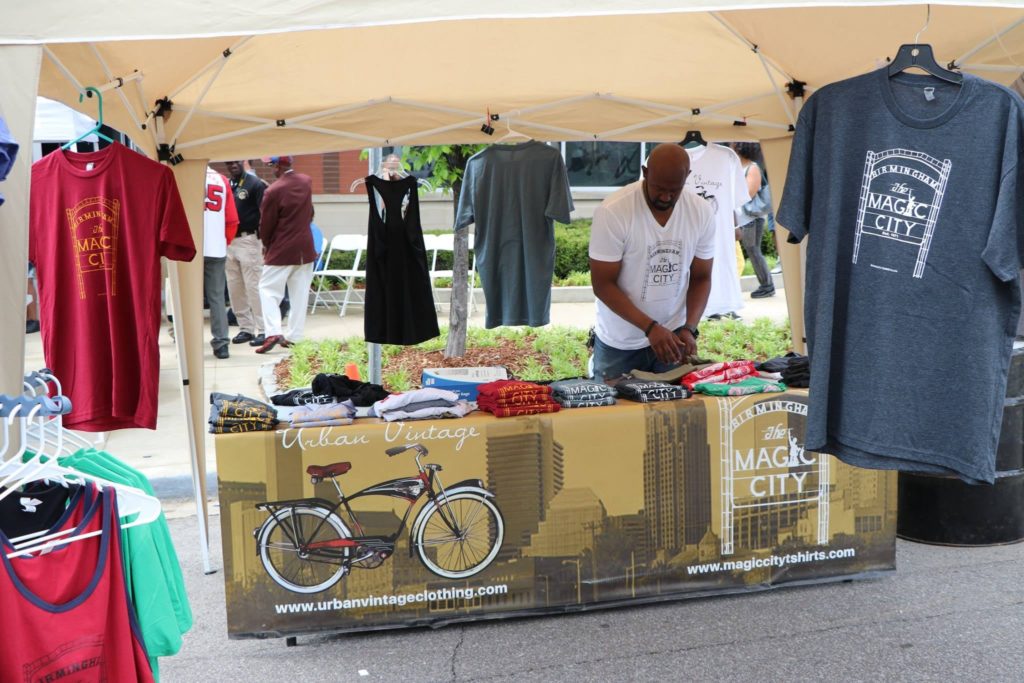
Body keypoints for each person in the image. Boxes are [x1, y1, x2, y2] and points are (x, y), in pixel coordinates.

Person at [588, 143, 716, 382]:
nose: (666, 197)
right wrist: (650, 328)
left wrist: (689, 328)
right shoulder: (614, 211)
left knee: (670, 415)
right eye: (659, 188)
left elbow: (701, 277)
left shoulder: (701, 212)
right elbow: (603, 284)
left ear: (687, 177)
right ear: (645, 173)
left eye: (674, 190)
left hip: (673, 336)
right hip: (620, 343)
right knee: (615, 416)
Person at [254, 155, 317, 354]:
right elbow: (311, 212)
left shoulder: (273, 190)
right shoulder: (306, 182)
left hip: (282, 248)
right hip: (305, 246)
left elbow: (266, 224)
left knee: (267, 290)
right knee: (299, 293)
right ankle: (295, 336)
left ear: (278, 166)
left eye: (272, 165)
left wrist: (266, 244)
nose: (271, 169)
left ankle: (273, 331)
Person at [225, 160, 268, 347]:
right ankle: (245, 328)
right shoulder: (226, 184)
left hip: (248, 240)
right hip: (228, 241)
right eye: (229, 162)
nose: (232, 165)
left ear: (243, 162)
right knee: (235, 288)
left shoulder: (255, 184)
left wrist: (265, 241)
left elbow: (264, 213)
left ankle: (264, 329)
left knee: (254, 286)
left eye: (235, 162)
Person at [203, 166, 239, 359]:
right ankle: (221, 343)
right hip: (216, 246)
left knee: (186, 298)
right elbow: (232, 219)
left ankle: (184, 339)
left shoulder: (183, 175)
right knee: (217, 298)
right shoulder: (221, 180)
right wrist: (223, 241)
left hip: (189, 246)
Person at [731, 142, 775, 298]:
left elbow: (748, 193)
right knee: (752, 250)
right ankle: (766, 284)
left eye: (733, 146)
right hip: (742, 218)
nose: (731, 148)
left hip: (751, 218)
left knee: (753, 250)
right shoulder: (739, 169)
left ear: (740, 149)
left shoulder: (752, 168)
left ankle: (767, 285)